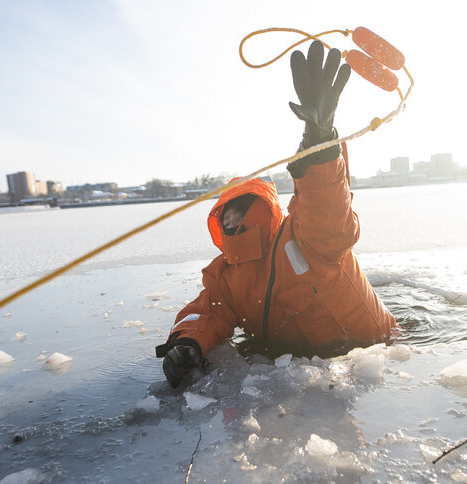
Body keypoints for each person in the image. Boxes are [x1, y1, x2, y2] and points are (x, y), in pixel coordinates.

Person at [155, 41, 396, 388]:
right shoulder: (224, 276)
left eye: (240, 209)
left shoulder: (302, 237)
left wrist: (319, 140)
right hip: (304, 374)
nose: (230, 220)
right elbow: (206, 312)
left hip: (376, 357)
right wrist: (186, 342)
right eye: (224, 213)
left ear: (262, 210)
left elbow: (328, 213)